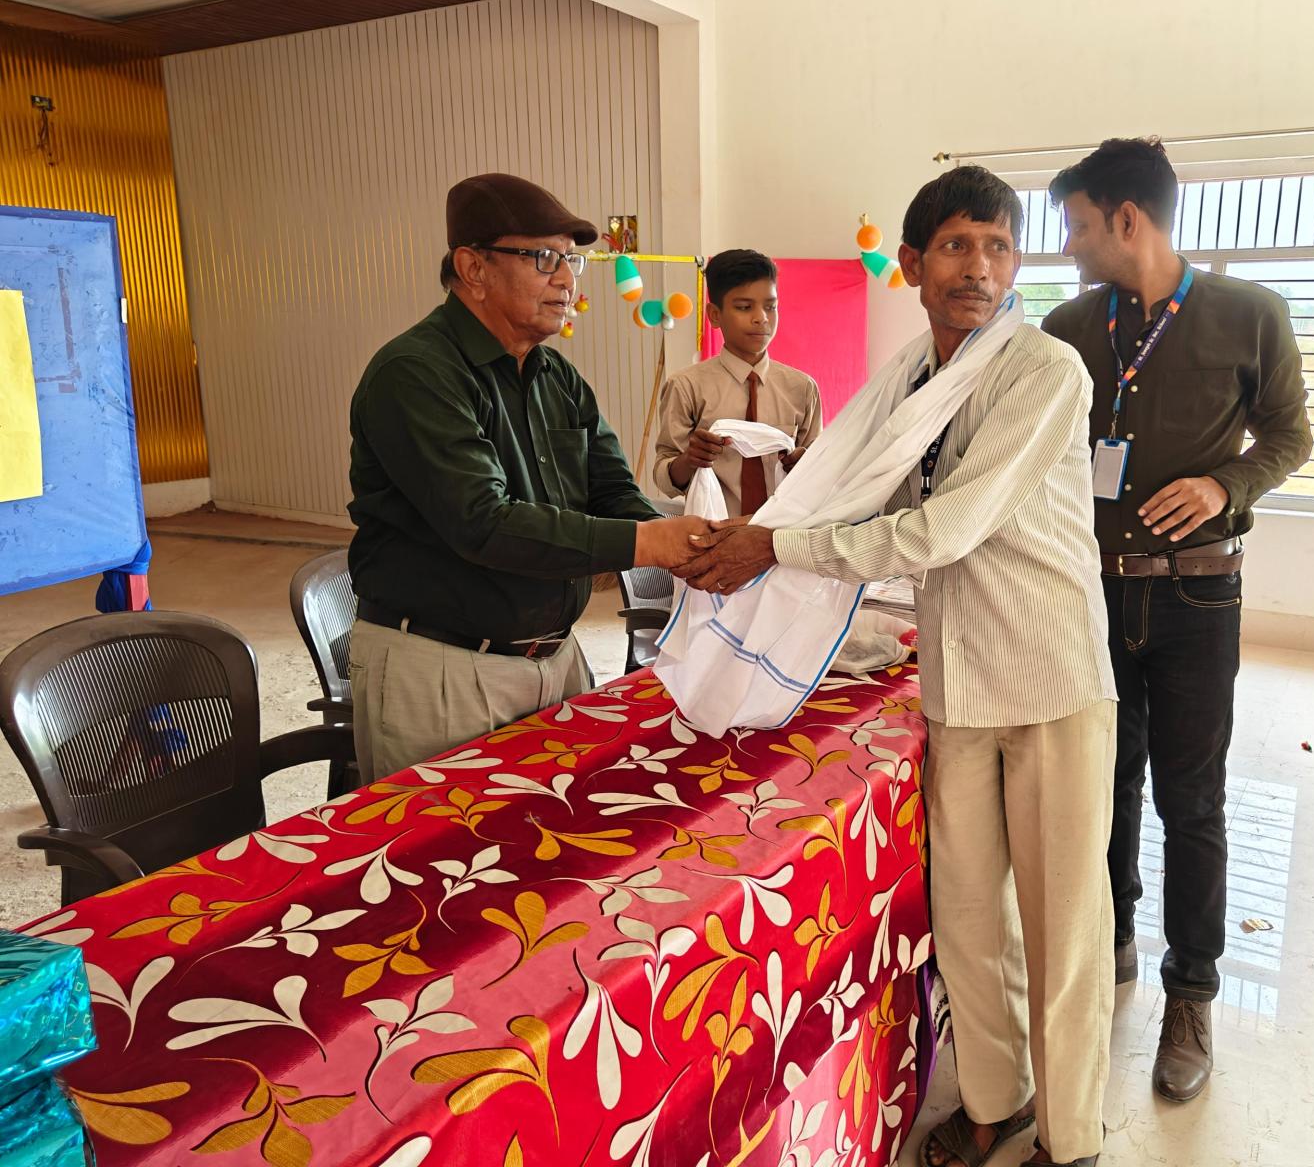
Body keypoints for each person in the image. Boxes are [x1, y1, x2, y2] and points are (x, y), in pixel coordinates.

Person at [678, 166, 1116, 1167]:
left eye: (998, 247)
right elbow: (852, 496)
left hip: (1048, 676)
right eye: (957, 246)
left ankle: (1072, 1139)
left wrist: (775, 548)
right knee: (966, 917)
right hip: (958, 678)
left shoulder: (1044, 372)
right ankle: (995, 1101)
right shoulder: (909, 380)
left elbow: (943, 528)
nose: (979, 269)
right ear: (912, 263)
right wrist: (757, 543)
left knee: (1062, 928)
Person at [1041, 138, 1312, 1103]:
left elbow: (1291, 436)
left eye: (1078, 227)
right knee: (1104, 780)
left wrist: (1224, 484)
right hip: (1093, 592)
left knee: (1190, 800)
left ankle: (1191, 993)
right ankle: (1112, 937)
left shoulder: (1250, 314)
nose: (1069, 247)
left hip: (1199, 595)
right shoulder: (1071, 325)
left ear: (1127, 219)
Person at [346, 172, 708, 783]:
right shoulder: (415, 374)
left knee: (563, 832)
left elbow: (613, 492)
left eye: (572, 261)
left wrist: (700, 543)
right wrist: (651, 543)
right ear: (474, 268)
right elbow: (484, 523)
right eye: (544, 258)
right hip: (444, 667)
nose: (566, 280)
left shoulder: (556, 378)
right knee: (445, 839)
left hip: (556, 658)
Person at [652, 249, 822, 516]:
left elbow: (821, 471)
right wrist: (689, 460)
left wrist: (805, 466)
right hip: (712, 530)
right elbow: (664, 475)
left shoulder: (802, 389)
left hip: (784, 533)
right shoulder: (686, 387)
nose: (761, 317)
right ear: (714, 315)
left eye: (770, 307)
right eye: (744, 307)